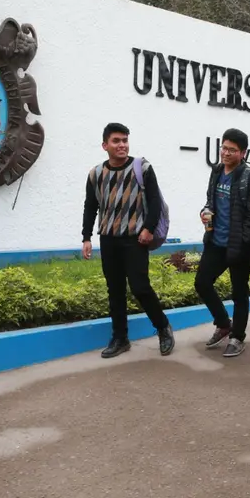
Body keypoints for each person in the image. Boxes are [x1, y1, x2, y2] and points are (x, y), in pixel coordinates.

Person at [81, 122, 174, 358]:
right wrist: (86, 237)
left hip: (136, 238)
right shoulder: (95, 174)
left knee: (140, 287)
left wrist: (148, 229)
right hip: (108, 238)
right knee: (115, 290)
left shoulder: (142, 168)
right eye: (116, 141)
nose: (122, 145)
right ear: (105, 145)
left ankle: (163, 327)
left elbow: (154, 201)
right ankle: (120, 338)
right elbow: (90, 206)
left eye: (125, 140)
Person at [197, 128, 250, 357]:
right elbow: (210, 201)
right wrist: (205, 212)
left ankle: (237, 337)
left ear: (243, 153)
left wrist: (245, 241)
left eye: (232, 150)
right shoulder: (217, 171)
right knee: (202, 283)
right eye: (224, 148)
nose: (226, 153)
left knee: (239, 292)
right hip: (215, 241)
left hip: (239, 246)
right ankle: (223, 323)